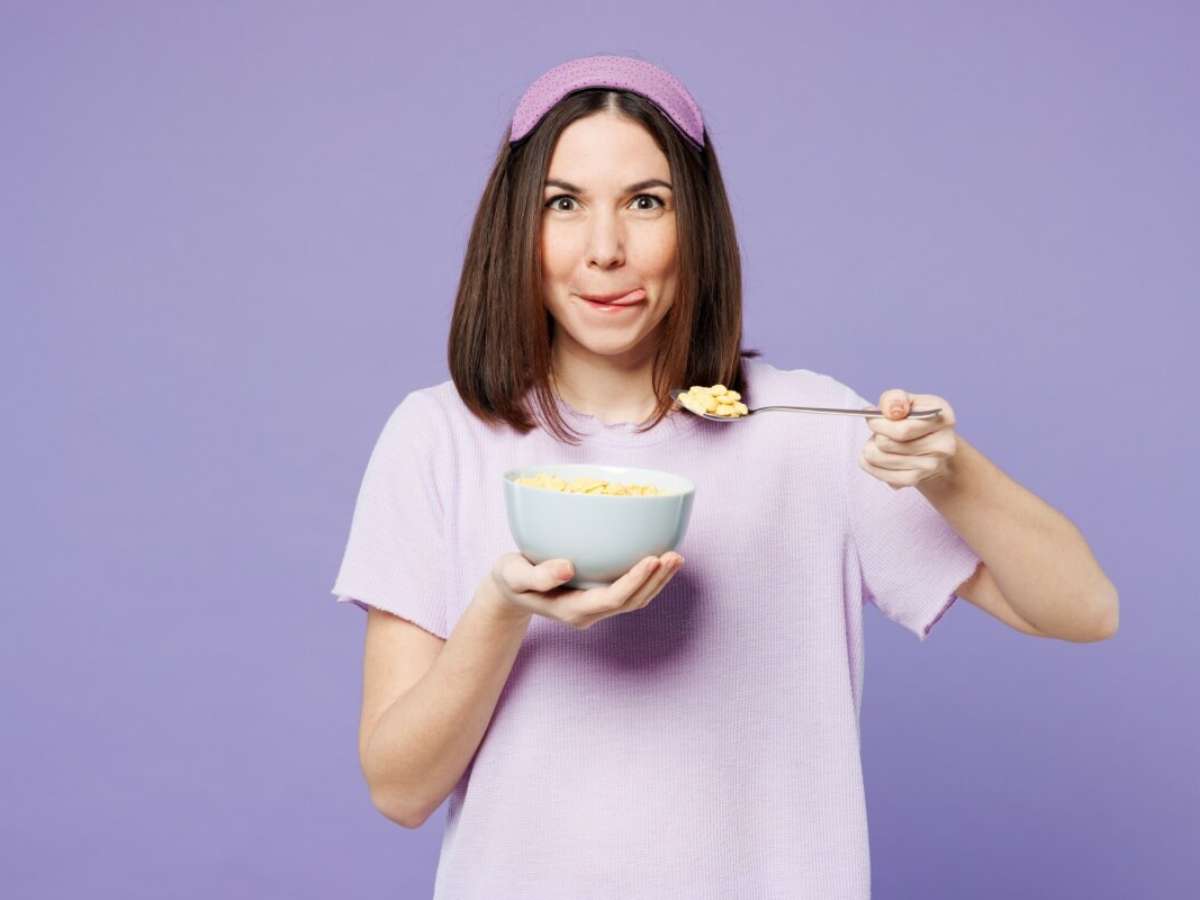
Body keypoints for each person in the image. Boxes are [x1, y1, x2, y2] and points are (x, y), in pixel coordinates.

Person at [329, 55, 1117, 900]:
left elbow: (1084, 611)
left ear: (695, 224)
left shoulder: (811, 430)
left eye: (646, 202)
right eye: (565, 204)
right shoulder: (439, 437)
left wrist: (950, 468)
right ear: (517, 226)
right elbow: (400, 791)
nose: (605, 251)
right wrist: (501, 609)